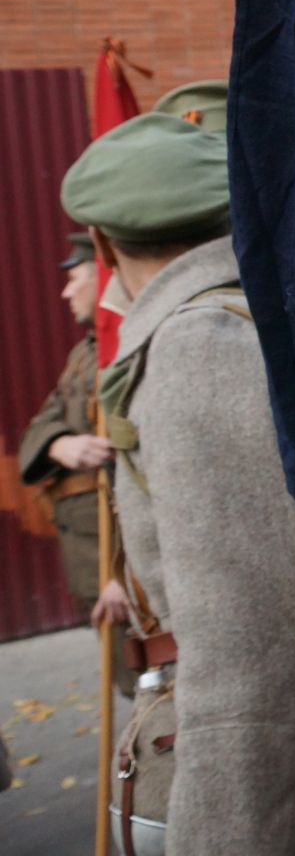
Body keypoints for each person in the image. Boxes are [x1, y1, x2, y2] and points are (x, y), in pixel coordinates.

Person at [61, 112, 295, 855]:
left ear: (102, 241)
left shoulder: (203, 345)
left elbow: (257, 648)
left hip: (243, 766)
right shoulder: (239, 317)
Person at [18, 233, 135, 681]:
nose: (66, 292)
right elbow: (39, 425)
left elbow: (143, 474)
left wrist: (125, 573)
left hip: (119, 566)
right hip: (91, 556)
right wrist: (59, 444)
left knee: (157, 686)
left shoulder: (120, 352)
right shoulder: (83, 355)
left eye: (76, 279)